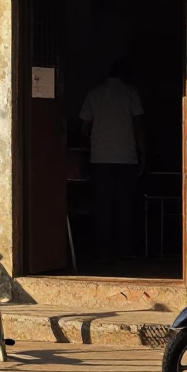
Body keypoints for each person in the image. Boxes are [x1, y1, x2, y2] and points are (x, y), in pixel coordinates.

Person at [80, 60, 146, 261]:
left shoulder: (94, 94)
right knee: (124, 205)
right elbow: (138, 125)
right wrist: (143, 153)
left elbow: (84, 126)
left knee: (102, 206)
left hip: (100, 158)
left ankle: (102, 251)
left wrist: (94, 141)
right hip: (126, 157)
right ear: (125, 75)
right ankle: (124, 250)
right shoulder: (130, 93)